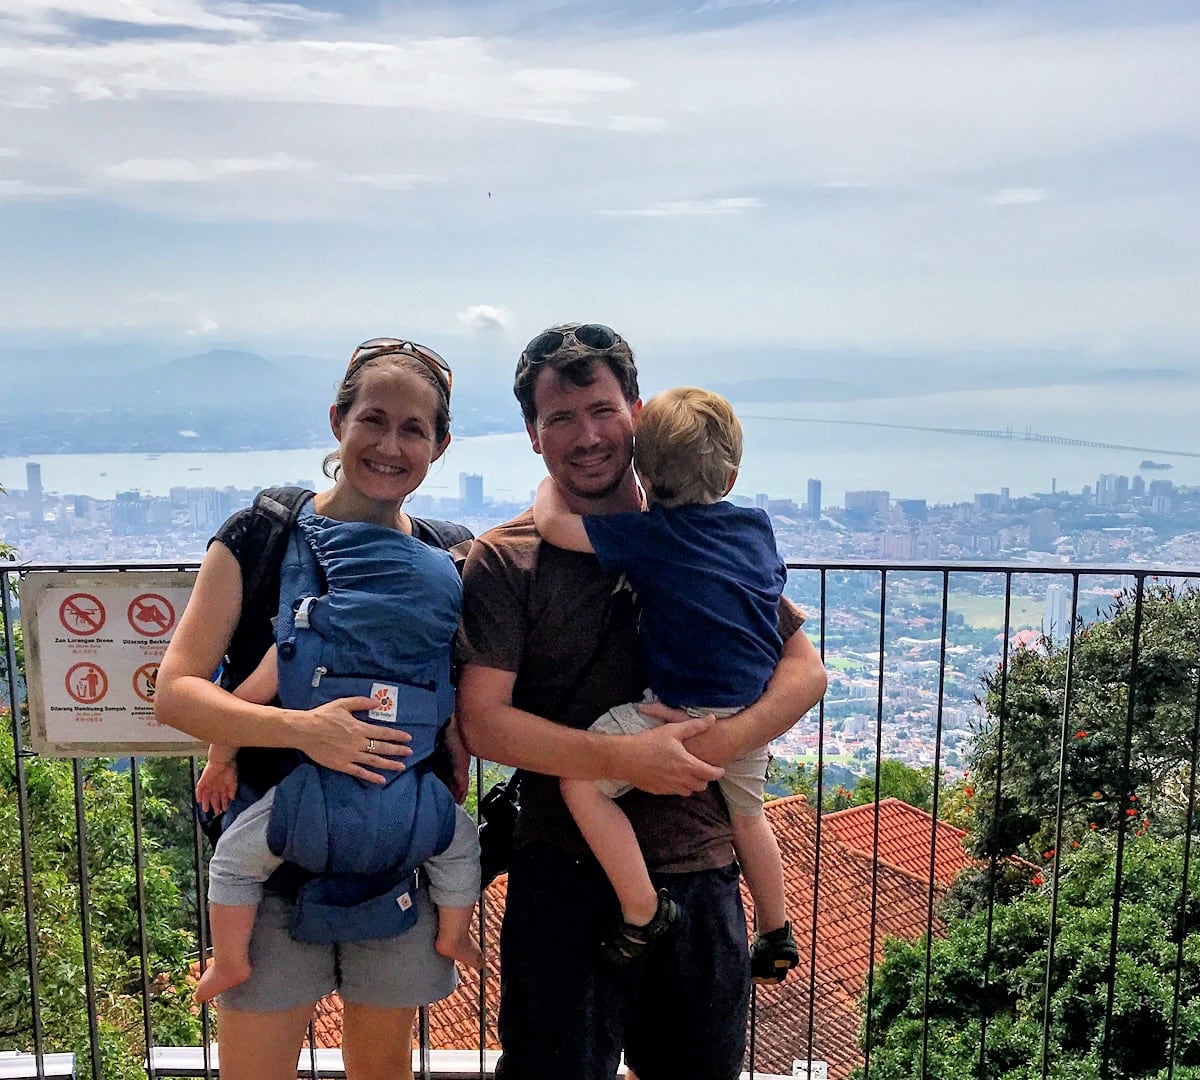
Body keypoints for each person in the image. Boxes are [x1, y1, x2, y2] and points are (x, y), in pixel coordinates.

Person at [457, 322, 828, 1080]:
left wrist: (706, 749)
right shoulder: (507, 558)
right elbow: (482, 722)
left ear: (636, 409)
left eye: (601, 410)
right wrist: (626, 759)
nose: (586, 436)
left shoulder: (697, 538)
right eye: (560, 418)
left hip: (699, 872)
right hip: (561, 877)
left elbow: (806, 674)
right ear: (533, 434)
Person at [156, 338, 477, 1080]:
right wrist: (299, 731)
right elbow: (175, 692)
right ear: (338, 420)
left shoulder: (451, 557)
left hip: (396, 864)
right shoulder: (261, 536)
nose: (390, 445)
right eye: (374, 419)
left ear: (441, 444)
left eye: (413, 429)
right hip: (272, 874)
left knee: (383, 1067)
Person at [531, 385, 798, 981]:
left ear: (642, 472)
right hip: (749, 708)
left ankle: (642, 907)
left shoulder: (650, 535)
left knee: (580, 784)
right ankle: (776, 931)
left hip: (678, 710)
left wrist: (549, 486)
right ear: (729, 478)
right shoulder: (754, 530)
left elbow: (553, 526)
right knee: (749, 816)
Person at [193, 638, 483, 1003]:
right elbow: (450, 716)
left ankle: (230, 961)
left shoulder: (305, 636)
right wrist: (457, 759)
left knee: (233, 866)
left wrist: (220, 761)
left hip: (310, 804)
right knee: (460, 849)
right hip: (406, 798)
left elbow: (240, 705)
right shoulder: (426, 644)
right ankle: (455, 934)